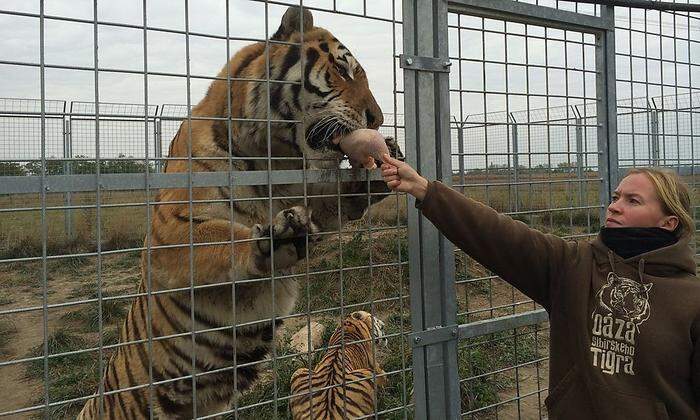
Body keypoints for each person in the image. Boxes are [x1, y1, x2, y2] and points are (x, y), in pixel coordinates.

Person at [380, 153, 697, 419]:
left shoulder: (691, 300)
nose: (614, 206)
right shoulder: (574, 266)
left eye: (633, 200)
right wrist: (425, 189)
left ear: (668, 222)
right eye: (616, 197)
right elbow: (500, 235)